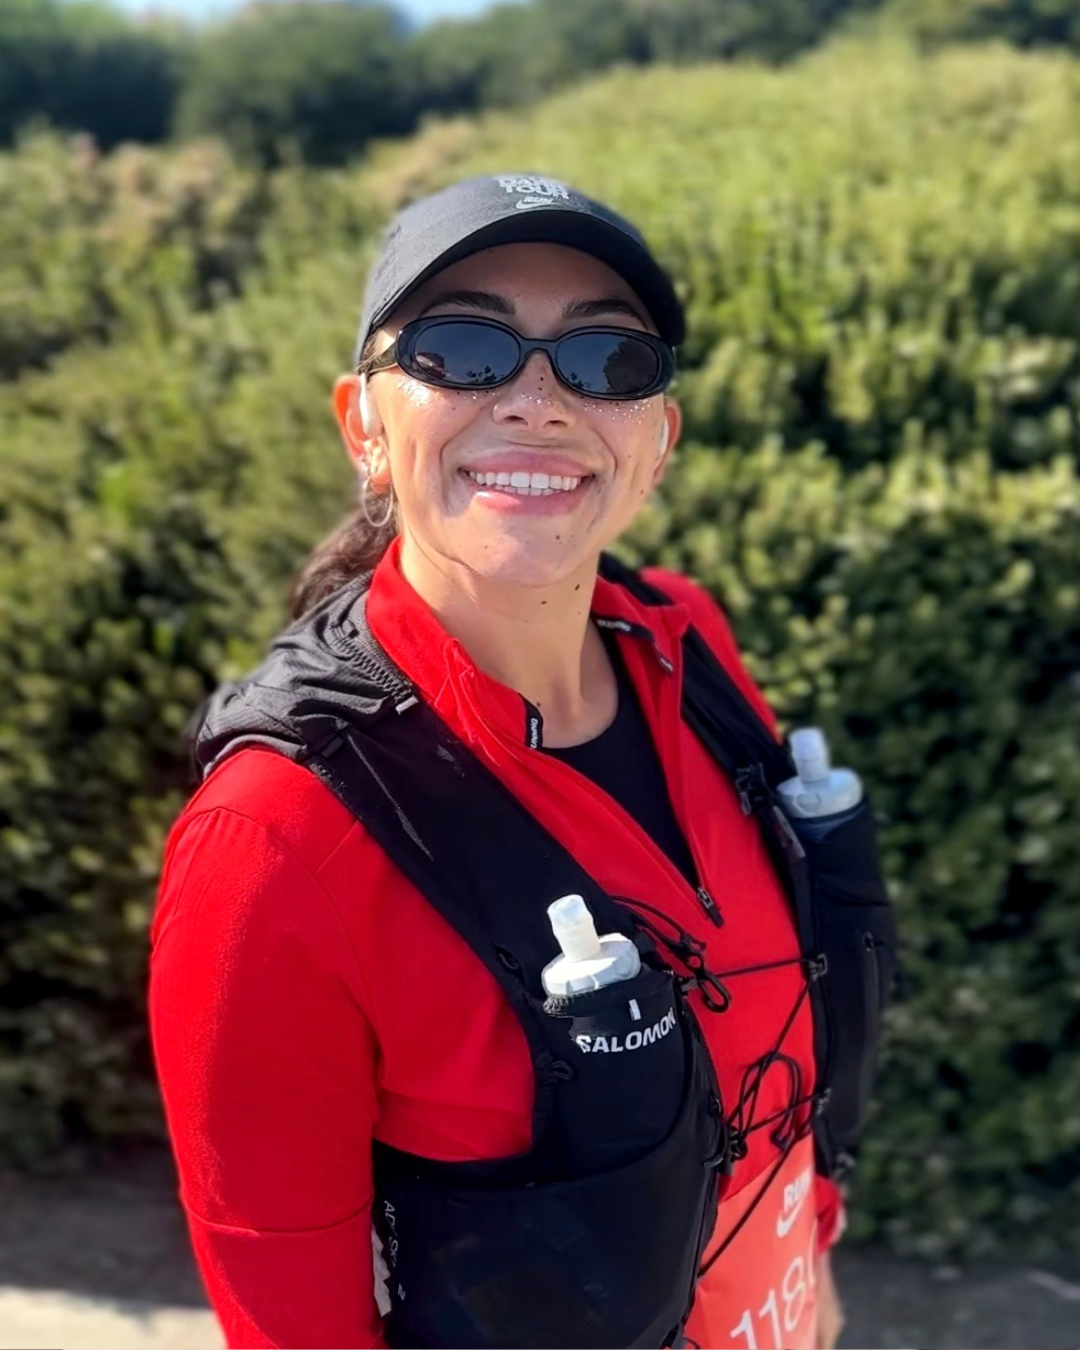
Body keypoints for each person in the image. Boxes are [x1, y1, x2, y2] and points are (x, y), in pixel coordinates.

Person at [148, 173, 849, 1350]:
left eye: (608, 360)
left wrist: (813, 1250)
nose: (538, 400)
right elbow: (291, 1321)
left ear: (658, 442)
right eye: (463, 349)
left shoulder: (689, 642)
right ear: (363, 427)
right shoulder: (272, 840)